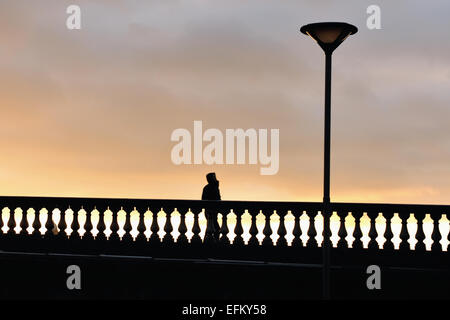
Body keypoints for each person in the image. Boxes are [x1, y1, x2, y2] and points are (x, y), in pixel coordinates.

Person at [202, 172, 221, 240]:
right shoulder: (210, 188)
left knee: (211, 227)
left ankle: (209, 240)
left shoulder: (211, 187)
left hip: (211, 211)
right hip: (210, 211)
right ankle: (214, 241)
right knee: (214, 228)